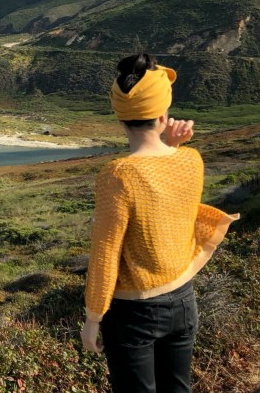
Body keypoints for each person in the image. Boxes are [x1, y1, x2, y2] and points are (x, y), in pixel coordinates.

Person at [81, 53, 239, 392]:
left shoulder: (118, 174)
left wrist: (93, 319)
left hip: (134, 312)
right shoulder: (190, 160)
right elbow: (169, 208)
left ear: (120, 119)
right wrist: (173, 145)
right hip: (183, 300)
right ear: (163, 115)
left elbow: (106, 252)